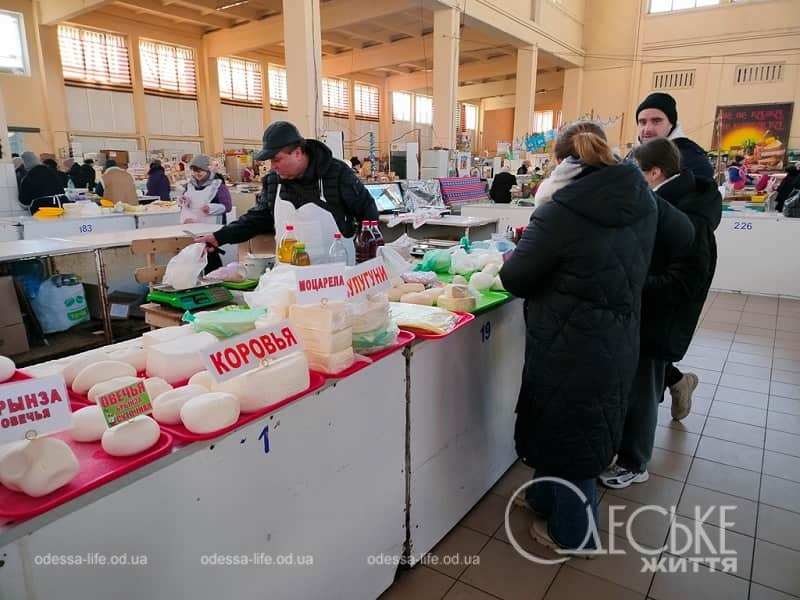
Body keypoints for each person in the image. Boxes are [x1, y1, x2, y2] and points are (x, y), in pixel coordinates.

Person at [498, 121, 661, 554]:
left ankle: (576, 535)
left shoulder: (560, 209)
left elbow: (515, 276)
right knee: (576, 426)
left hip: (569, 339)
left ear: (559, 162)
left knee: (569, 434)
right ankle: (543, 497)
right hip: (618, 334)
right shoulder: (641, 198)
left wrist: (525, 247)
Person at [601, 138, 720, 489]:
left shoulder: (684, 211)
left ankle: (634, 462)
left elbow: (685, 280)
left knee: (642, 391)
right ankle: (626, 452)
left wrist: (634, 282)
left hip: (658, 318)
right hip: (646, 313)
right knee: (637, 386)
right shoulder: (667, 200)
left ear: (654, 172)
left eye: (637, 173)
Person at [194, 121, 378, 265]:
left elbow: (368, 213)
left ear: (297, 153)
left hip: (336, 276)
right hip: (288, 277)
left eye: (277, 159)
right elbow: (258, 218)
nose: (272, 166)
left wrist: (367, 258)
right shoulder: (274, 181)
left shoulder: (337, 174)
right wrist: (220, 237)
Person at [634, 90, 713, 410]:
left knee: (646, 366)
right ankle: (679, 382)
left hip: (663, 277)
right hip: (652, 276)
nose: (647, 127)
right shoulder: (646, 154)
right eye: (642, 121)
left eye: (656, 120)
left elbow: (685, 271)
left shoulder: (689, 161)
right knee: (644, 362)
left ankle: (634, 456)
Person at [635, 92, 713, 180]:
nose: (647, 129)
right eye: (642, 122)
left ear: (671, 124)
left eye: (656, 121)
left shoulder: (692, 161)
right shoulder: (632, 157)